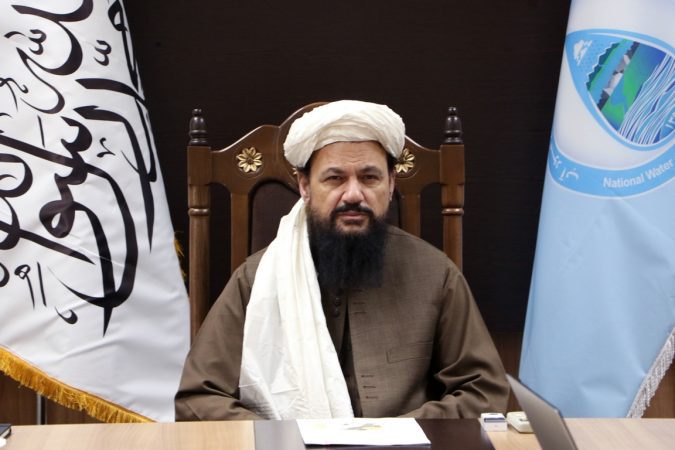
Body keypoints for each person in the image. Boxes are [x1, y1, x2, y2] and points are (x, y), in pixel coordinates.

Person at [175, 100, 509, 420]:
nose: (353, 194)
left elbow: (484, 392)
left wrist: (397, 433)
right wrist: (285, 439)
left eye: (369, 178)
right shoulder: (257, 278)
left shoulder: (436, 274)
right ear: (305, 186)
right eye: (334, 178)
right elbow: (198, 399)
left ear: (391, 184)